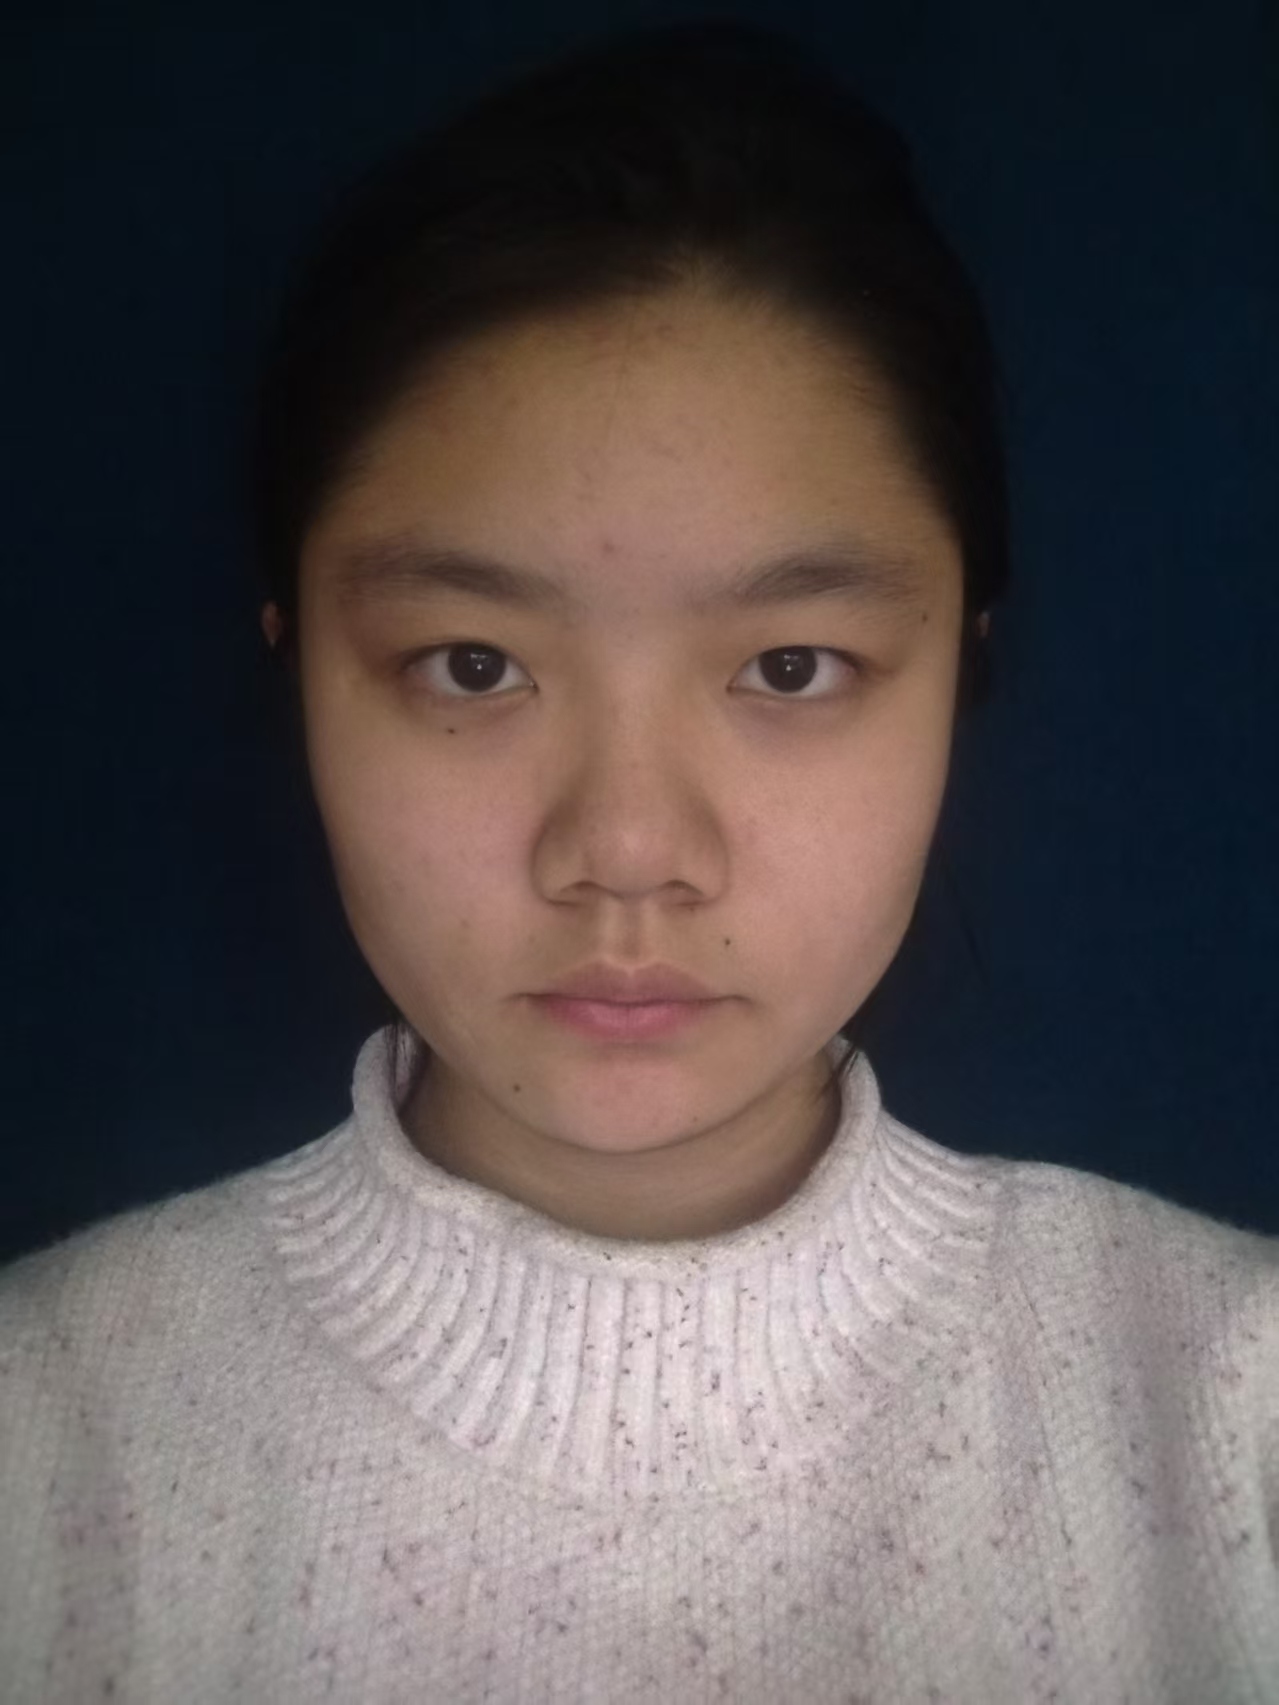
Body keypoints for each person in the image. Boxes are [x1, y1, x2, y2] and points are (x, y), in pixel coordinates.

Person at [1, 19, 1275, 1702]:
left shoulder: (1231, 1415)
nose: (625, 854)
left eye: (790, 668)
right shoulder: (47, 1442)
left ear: (961, 669)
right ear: (294, 667)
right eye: (472, 665)